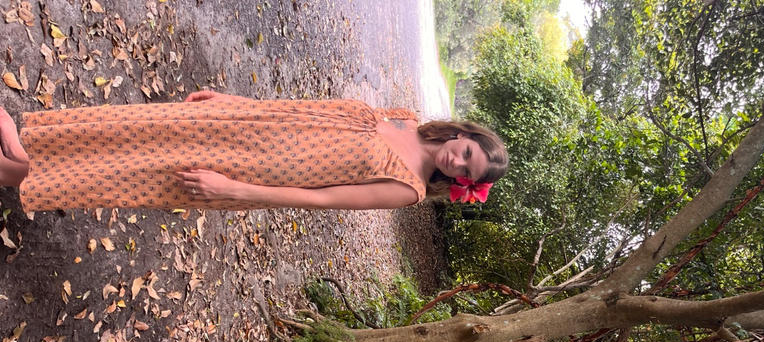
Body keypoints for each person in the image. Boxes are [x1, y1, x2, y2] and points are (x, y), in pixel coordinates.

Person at [0, 91, 507, 212]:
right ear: (461, 135)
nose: (457, 161)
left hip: (244, 168)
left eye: (467, 170)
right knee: (132, 131)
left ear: (464, 184)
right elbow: (304, 109)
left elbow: (323, 200)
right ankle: (22, 152)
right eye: (465, 151)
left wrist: (233, 189)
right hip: (243, 126)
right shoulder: (408, 122)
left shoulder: (408, 189)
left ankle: (13, 169)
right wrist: (232, 101)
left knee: (130, 172)